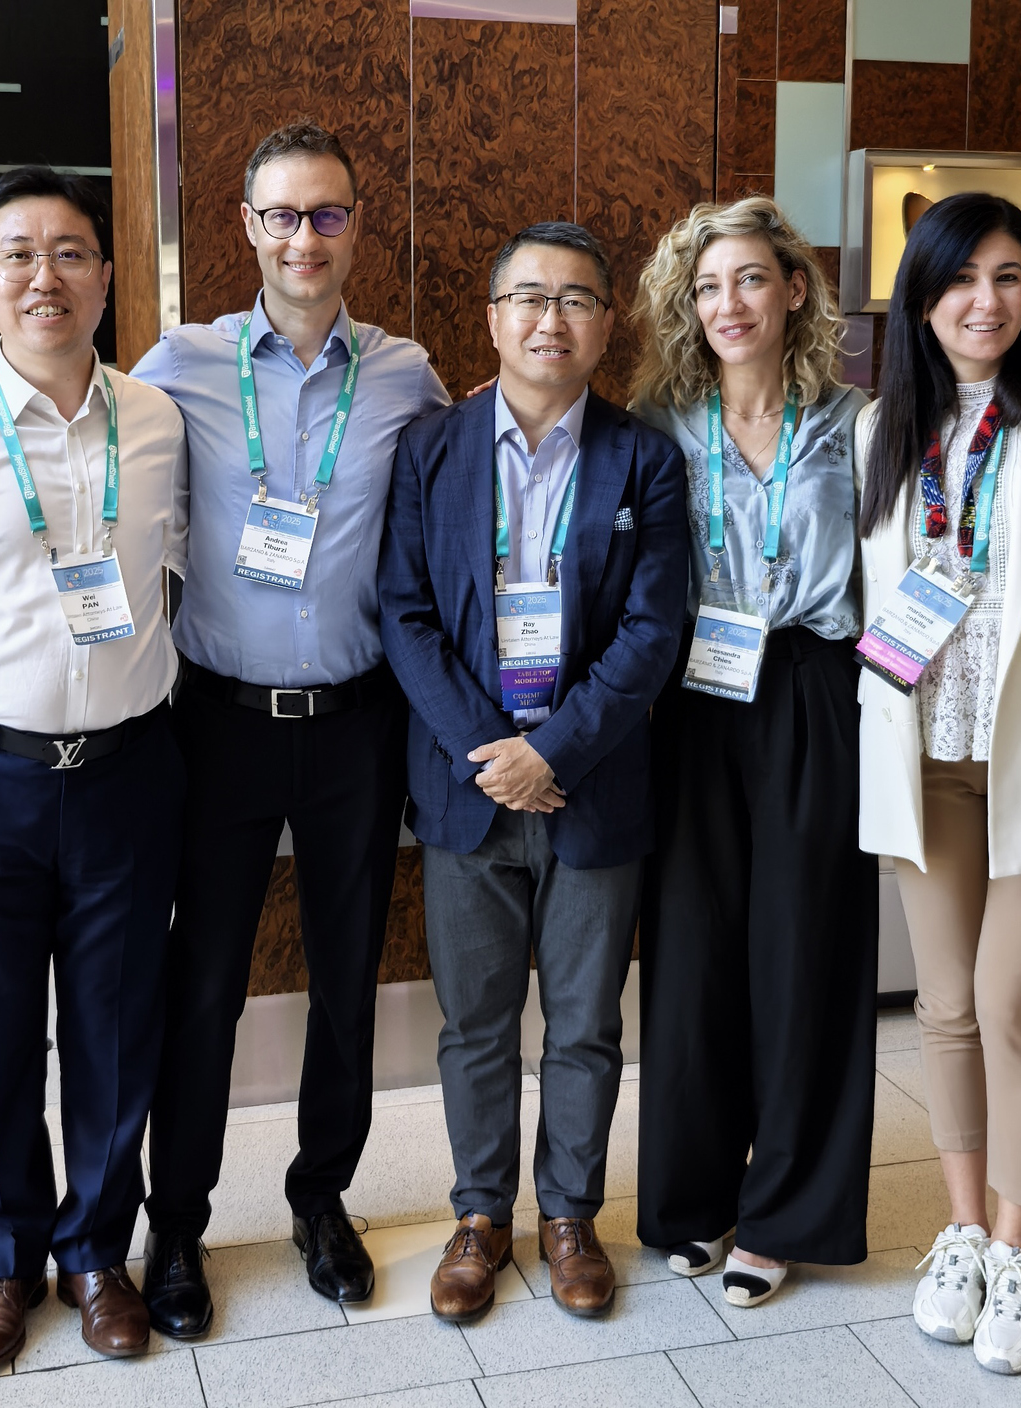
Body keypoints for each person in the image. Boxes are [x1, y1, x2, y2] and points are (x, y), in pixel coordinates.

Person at [128, 122, 449, 1336]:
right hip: (219, 724)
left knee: (346, 977)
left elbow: (464, 482)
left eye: (326, 213)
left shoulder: (406, 373)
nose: (303, 237)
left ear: (357, 225)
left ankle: (322, 1198)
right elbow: (84, 443)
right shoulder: (181, 364)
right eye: (280, 214)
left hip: (357, 725)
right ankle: (177, 1222)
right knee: (204, 982)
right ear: (247, 227)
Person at [378, 222, 687, 1322]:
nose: (551, 319)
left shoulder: (644, 458)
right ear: (493, 318)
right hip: (467, 787)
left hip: (590, 782)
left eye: (576, 299)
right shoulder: (431, 449)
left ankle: (568, 1215)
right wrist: (494, 754)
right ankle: (478, 1214)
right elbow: (405, 615)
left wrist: (551, 750)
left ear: (606, 324)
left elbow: (653, 630)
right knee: (474, 1021)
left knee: (587, 1021)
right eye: (529, 297)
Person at [0, 167, 187, 1366]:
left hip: (129, 767)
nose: (45, 277)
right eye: (17, 255)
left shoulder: (158, 420)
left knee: (116, 1028)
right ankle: (1, 1262)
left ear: (107, 275)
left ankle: (94, 1253)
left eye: (70, 252)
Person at [857, 191, 1021, 1375]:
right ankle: (961, 1231)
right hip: (924, 756)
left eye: (1009, 277)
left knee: (1012, 1000)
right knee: (947, 1004)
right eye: (961, 279)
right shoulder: (882, 430)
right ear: (920, 297)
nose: (985, 301)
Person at [628, 197, 879, 1305]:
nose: (727, 303)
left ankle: (782, 1212)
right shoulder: (659, 423)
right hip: (694, 692)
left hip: (815, 687)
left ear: (793, 291)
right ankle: (690, 1196)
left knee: (804, 951)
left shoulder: (859, 423)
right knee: (692, 955)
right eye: (707, 286)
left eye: (749, 279)